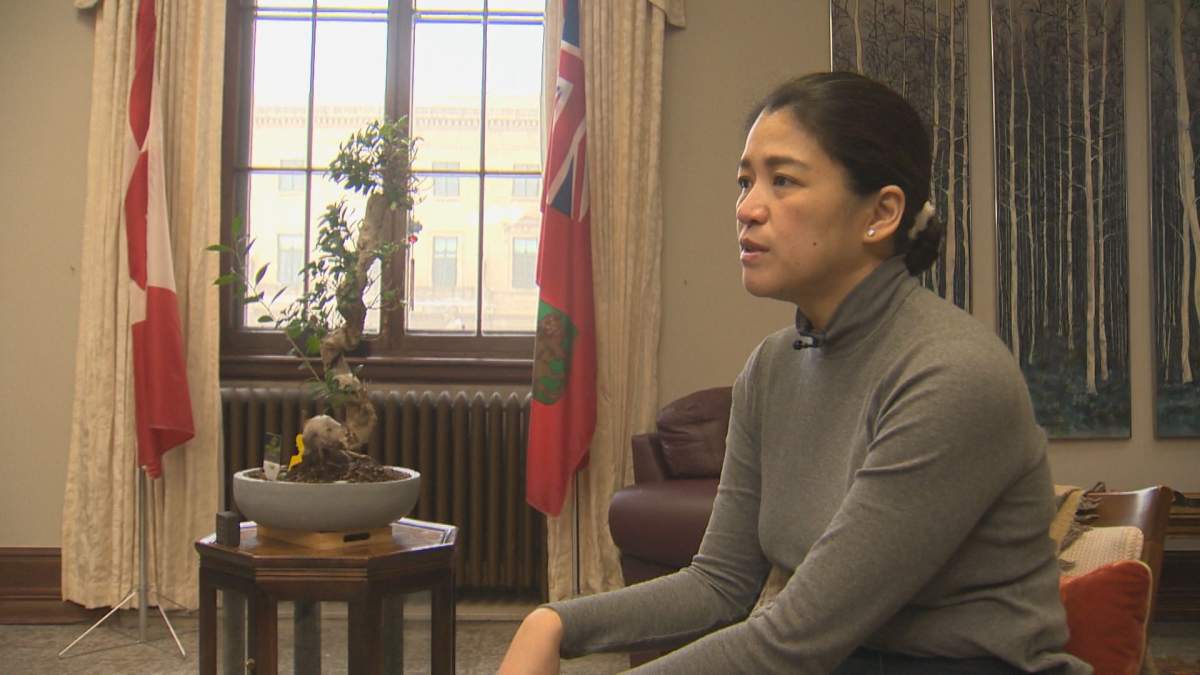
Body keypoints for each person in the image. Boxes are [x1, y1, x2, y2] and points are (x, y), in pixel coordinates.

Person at [499, 72, 1090, 674]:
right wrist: (554, 622)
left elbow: (791, 641)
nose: (747, 208)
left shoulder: (952, 373)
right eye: (745, 181)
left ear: (881, 214)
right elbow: (719, 583)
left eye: (783, 181)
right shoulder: (772, 367)